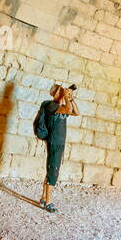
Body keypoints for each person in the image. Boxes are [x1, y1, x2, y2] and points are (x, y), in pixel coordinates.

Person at [36, 83, 78, 213]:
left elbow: (76, 112)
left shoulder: (61, 106)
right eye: (61, 92)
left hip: (59, 143)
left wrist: (70, 98)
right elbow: (69, 110)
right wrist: (66, 97)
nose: (63, 94)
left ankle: (43, 197)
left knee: (52, 168)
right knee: (53, 170)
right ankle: (48, 202)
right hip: (54, 142)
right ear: (56, 94)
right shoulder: (51, 106)